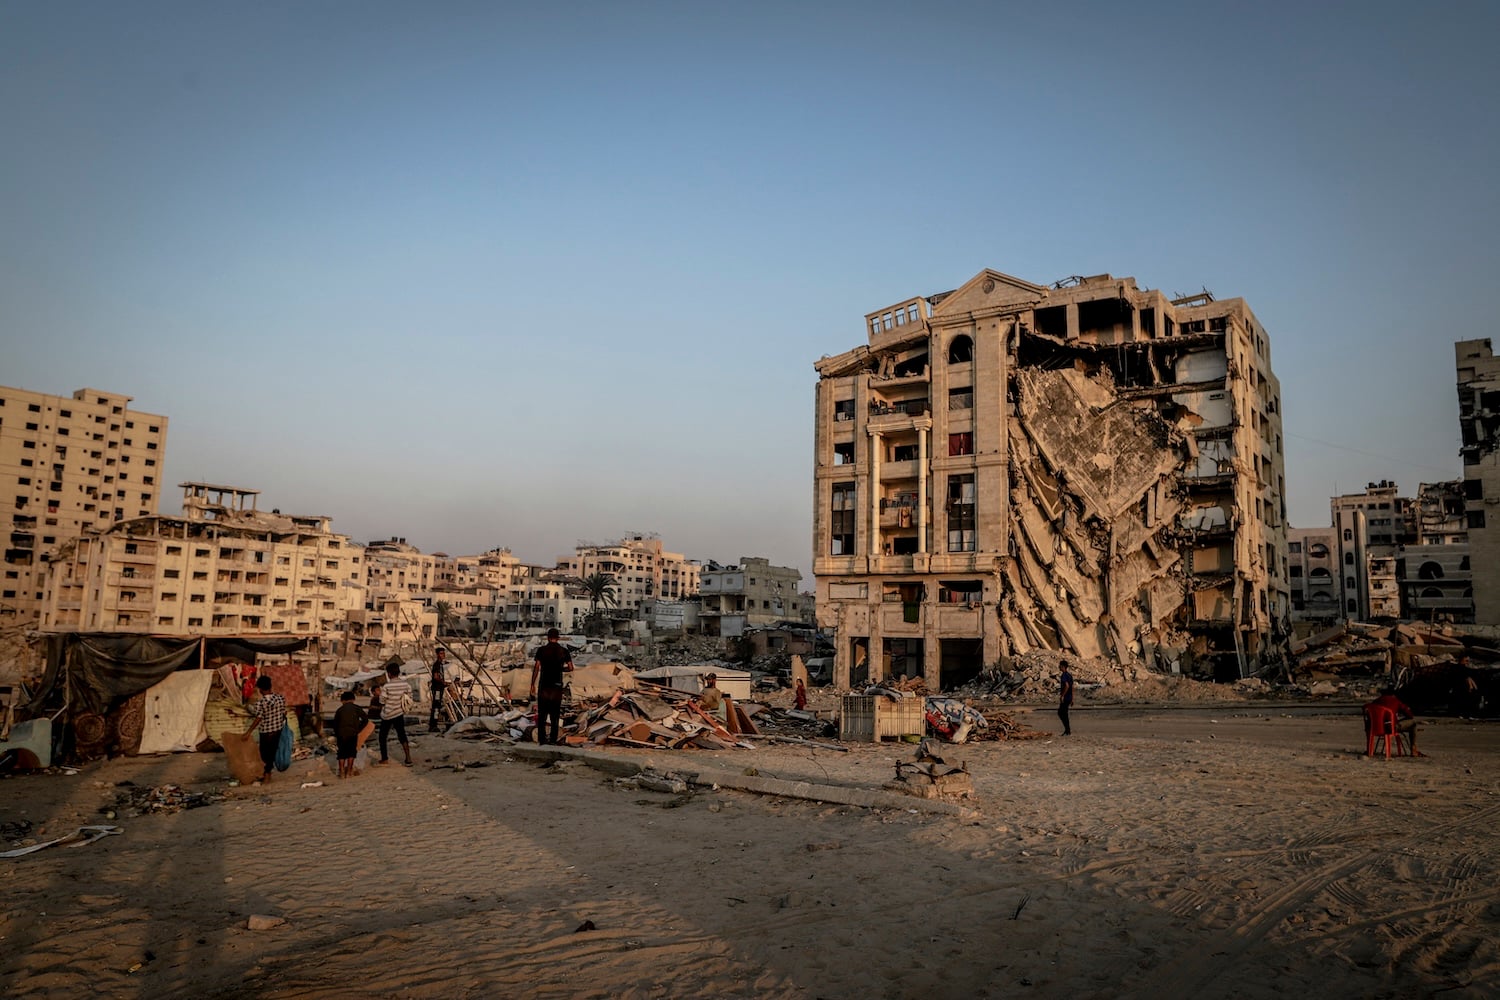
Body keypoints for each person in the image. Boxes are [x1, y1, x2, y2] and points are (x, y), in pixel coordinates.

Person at [530, 628, 574, 745]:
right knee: (555, 716)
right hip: (557, 686)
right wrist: (560, 669)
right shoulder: (564, 651)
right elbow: (570, 668)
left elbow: (537, 667)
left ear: (548, 638)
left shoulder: (542, 650)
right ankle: (553, 740)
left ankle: (542, 740)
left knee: (542, 716)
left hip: (544, 686)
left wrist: (532, 684)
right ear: (558, 638)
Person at [242, 675, 287, 783]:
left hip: (265, 732)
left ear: (261, 689)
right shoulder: (280, 698)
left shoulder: (260, 703)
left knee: (264, 754)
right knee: (271, 753)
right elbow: (283, 712)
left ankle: (266, 775)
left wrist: (248, 732)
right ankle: (268, 773)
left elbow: (258, 718)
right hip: (277, 730)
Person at [377, 662, 413, 766]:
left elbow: (382, 701)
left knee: (382, 737)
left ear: (389, 674)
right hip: (399, 713)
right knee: (402, 735)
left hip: (387, 714)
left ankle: (384, 758)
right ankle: (408, 758)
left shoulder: (387, 686)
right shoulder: (406, 684)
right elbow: (409, 697)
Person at [1368, 688, 1423, 756]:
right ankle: (1413, 749)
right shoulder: (1395, 701)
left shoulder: (1376, 701)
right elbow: (1410, 715)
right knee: (1413, 724)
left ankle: (1369, 749)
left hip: (1375, 728)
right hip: (1390, 728)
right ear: (1393, 695)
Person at [333, 690, 368, 778]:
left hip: (341, 734)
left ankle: (341, 771)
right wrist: (359, 729)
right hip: (352, 733)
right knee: (351, 753)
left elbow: (335, 724)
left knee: (341, 753)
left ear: (342, 700)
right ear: (353, 699)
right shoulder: (357, 708)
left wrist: (337, 733)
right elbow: (365, 720)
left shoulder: (339, 710)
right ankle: (349, 771)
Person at [429, 648, 450, 732]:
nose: (443, 655)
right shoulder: (437, 665)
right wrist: (443, 682)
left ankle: (434, 723)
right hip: (437, 688)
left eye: (443, 653)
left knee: (437, 706)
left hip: (440, 688)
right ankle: (433, 724)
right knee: (436, 706)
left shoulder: (442, 665)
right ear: (438, 654)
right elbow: (436, 677)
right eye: (441, 653)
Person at [1057, 661, 1074, 736]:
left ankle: (1067, 730)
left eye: (1060, 665)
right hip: (1069, 697)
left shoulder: (1064, 675)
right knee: (1064, 713)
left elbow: (1067, 686)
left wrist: (1062, 696)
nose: (1059, 667)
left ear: (1063, 666)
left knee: (1061, 713)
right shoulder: (1069, 675)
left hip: (1066, 697)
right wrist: (1072, 698)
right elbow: (1072, 687)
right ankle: (1067, 730)